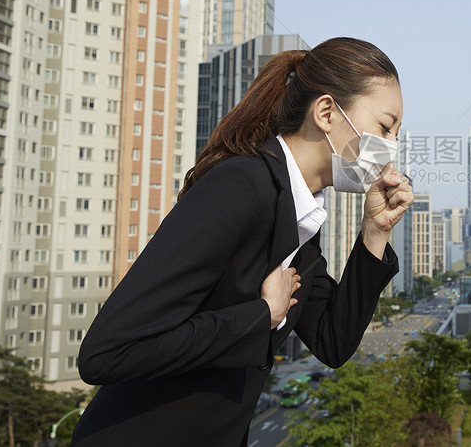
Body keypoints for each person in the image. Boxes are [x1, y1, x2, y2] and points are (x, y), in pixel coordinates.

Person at [71, 37, 413, 446]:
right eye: (385, 127)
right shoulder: (242, 185)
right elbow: (107, 352)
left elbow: (332, 340)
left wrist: (375, 232)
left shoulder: (299, 217)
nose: (390, 146)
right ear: (326, 112)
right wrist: (261, 315)